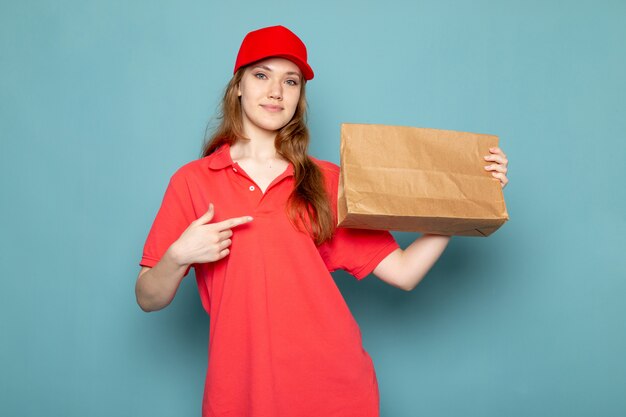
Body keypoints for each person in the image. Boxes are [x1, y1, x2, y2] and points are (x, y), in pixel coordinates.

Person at [135, 25, 509, 417]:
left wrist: (467, 196)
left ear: (299, 96)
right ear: (239, 87)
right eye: (262, 75)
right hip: (239, 392)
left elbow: (404, 272)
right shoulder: (193, 181)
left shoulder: (324, 181)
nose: (276, 91)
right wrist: (178, 256)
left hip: (332, 389)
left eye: (290, 81)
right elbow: (148, 297)